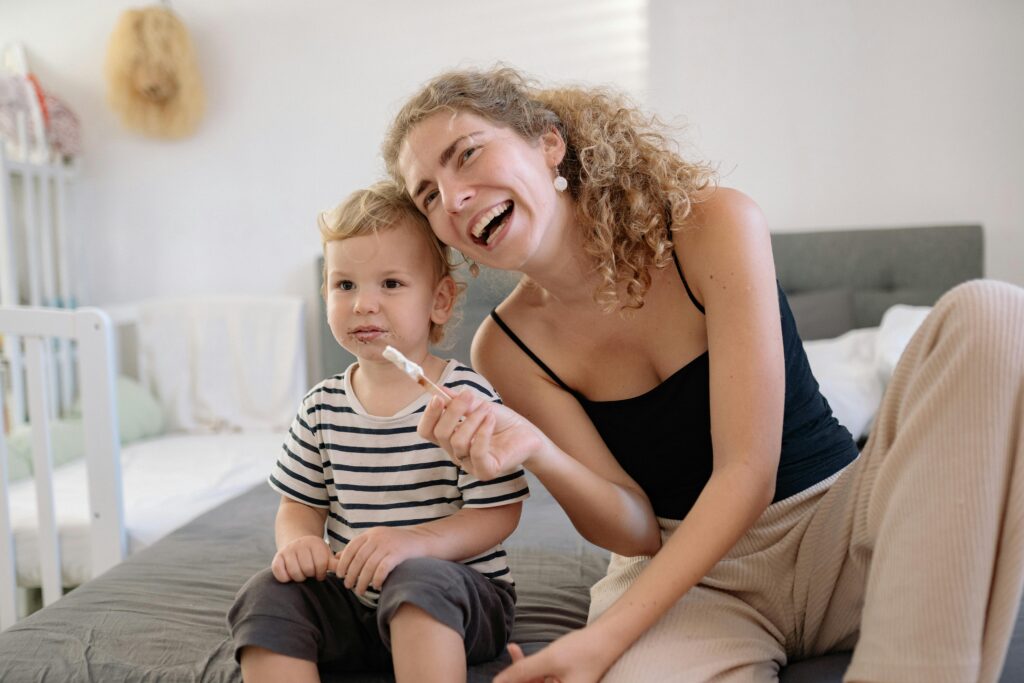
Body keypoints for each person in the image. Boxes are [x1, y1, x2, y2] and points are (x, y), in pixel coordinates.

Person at [381, 66, 1024, 683]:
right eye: (428, 195)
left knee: (993, 312)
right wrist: (538, 451)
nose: (455, 198)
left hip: (837, 528)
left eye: (466, 154)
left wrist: (600, 639)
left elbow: (748, 473)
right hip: (694, 583)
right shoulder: (505, 346)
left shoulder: (710, 224)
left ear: (549, 143)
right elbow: (632, 529)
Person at [227, 181, 530, 683]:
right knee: (267, 593)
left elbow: (498, 512)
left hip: (457, 597)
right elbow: (300, 506)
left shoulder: (463, 398)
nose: (364, 304)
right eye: (345, 285)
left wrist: (416, 543)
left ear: (439, 301)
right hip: (353, 596)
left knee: (418, 582)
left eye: (390, 284)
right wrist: (299, 542)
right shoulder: (321, 407)